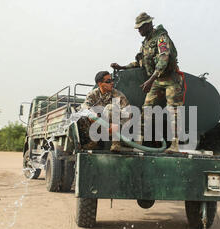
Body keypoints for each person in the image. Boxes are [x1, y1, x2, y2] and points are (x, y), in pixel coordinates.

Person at [111, 12, 184, 153]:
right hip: (156, 80)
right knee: (146, 110)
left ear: (149, 24)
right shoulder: (145, 44)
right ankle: (139, 143)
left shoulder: (161, 38)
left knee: (173, 111)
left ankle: (175, 145)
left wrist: (150, 80)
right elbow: (140, 63)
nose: (139, 31)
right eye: (138, 28)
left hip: (170, 79)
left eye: (141, 27)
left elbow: (164, 59)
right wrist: (122, 67)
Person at [79, 71, 130, 152]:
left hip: (115, 128)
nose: (112, 83)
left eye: (112, 80)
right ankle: (92, 143)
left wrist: (118, 126)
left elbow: (128, 112)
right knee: (82, 116)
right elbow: (85, 106)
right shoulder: (93, 94)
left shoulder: (117, 94)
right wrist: (91, 114)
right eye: (108, 81)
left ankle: (116, 144)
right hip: (99, 125)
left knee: (111, 107)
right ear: (100, 84)